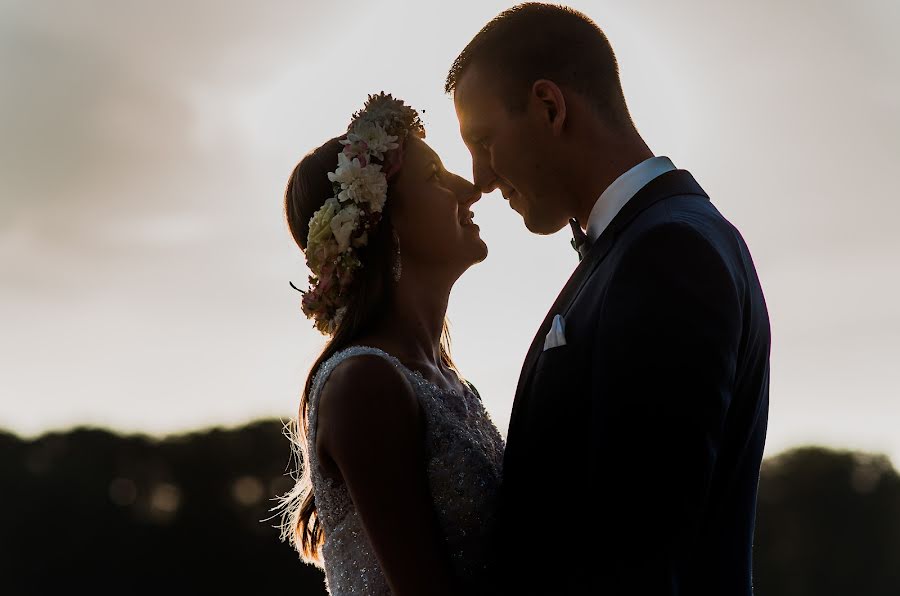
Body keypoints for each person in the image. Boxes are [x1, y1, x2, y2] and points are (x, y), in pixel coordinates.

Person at [446, 4, 771, 594]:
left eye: (484, 141)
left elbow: (638, 554)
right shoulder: (648, 242)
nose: (481, 178)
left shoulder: (670, 252)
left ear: (550, 106)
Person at [274, 93, 504, 595]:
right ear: (384, 223)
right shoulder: (365, 384)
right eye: (436, 178)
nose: (470, 189)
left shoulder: (445, 380)